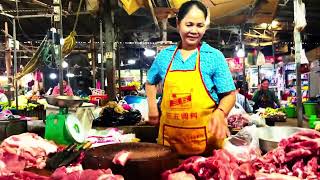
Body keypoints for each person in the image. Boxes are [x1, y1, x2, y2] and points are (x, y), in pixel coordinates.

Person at [146, 1, 236, 156]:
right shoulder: (164, 57)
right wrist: (152, 107)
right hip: (169, 146)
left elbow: (229, 94)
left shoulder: (214, 56)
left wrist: (220, 112)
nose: (194, 31)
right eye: (189, 24)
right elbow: (150, 82)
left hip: (206, 150)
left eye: (200, 25)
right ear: (178, 23)